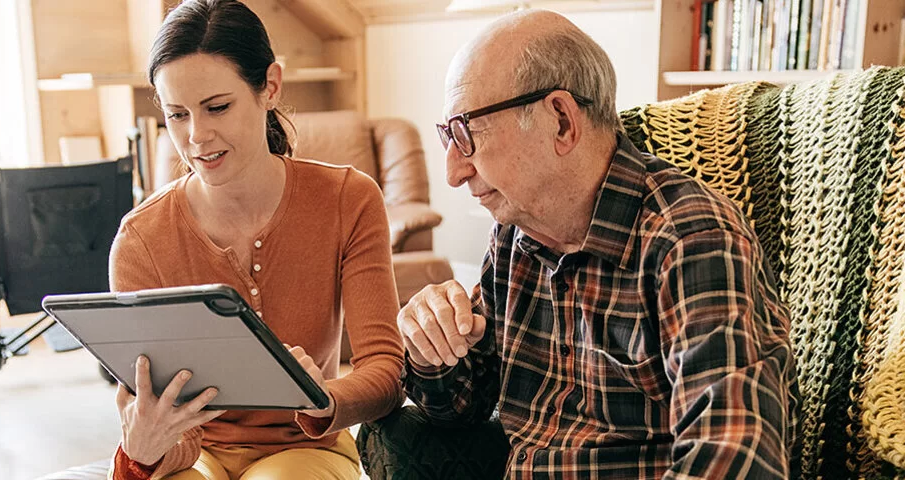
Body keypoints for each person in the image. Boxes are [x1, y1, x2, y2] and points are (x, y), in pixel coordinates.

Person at [396, 9, 794, 479]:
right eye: (449, 137)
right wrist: (430, 349)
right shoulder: (515, 234)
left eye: (468, 134)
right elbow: (463, 406)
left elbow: (735, 459)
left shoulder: (690, 241)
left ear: (561, 121)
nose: (453, 171)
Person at [106, 1, 404, 479]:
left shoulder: (349, 199)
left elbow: (386, 369)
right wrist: (142, 451)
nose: (197, 136)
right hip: (195, 455)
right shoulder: (141, 239)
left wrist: (323, 397)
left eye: (217, 107)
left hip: (311, 449)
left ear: (270, 86)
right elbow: (162, 423)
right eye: (177, 115)